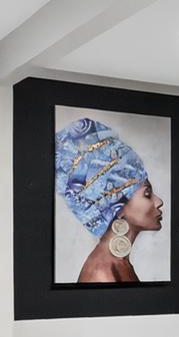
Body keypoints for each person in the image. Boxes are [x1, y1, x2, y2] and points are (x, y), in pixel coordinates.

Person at [54, 117, 165, 283]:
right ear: (116, 207)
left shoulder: (119, 264)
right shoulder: (104, 274)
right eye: (147, 194)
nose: (159, 202)